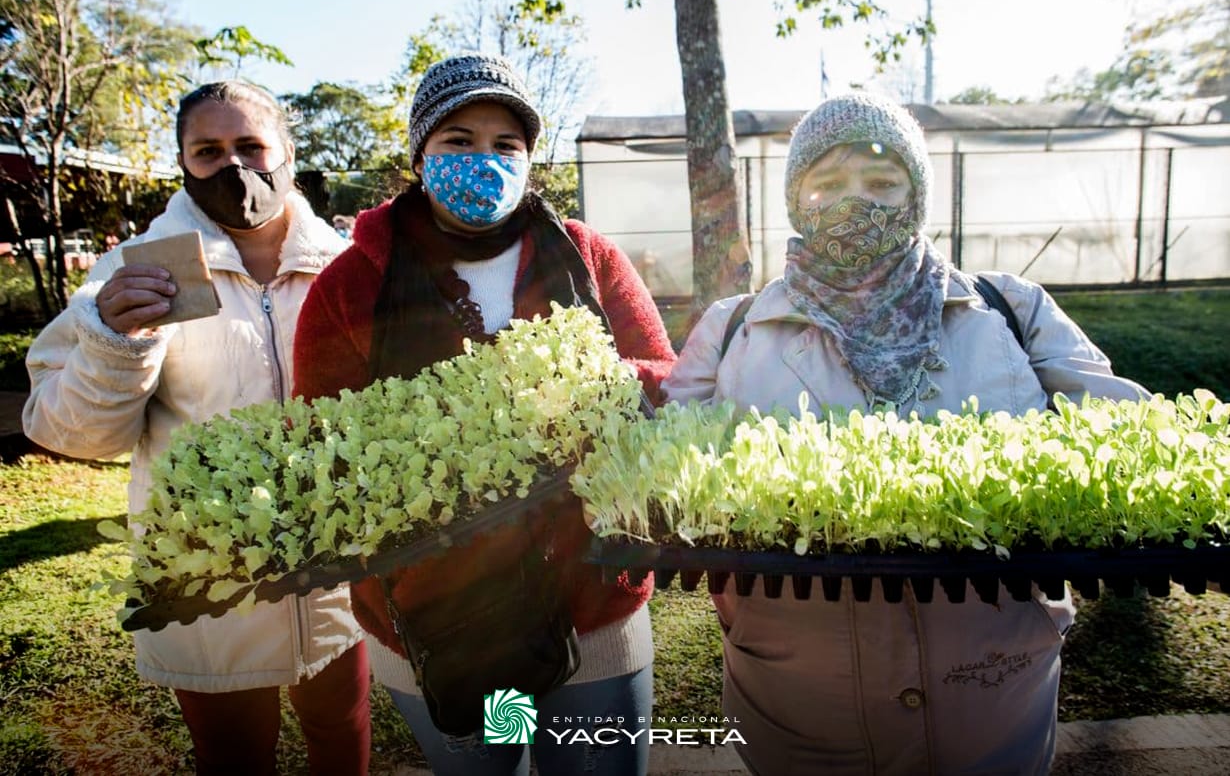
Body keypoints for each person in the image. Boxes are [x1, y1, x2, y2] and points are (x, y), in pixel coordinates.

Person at [662, 92, 1150, 776]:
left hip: (992, 693)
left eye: (882, 182)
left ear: (916, 195)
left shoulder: (1010, 309)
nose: (853, 202)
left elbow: (1133, 440)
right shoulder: (733, 328)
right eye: (828, 184)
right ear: (795, 199)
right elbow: (664, 468)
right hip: (801, 696)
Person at [292, 53, 676, 776]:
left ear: (531, 159)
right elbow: (319, 441)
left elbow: (664, 380)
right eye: (458, 141)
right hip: (445, 622)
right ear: (419, 157)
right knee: (490, 765)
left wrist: (586, 389)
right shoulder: (353, 283)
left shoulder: (586, 256)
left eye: (507, 145)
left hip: (592, 606)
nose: (484, 160)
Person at [22, 80, 367, 776]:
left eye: (250, 146)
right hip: (211, 583)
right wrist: (117, 341)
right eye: (208, 152)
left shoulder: (349, 267)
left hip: (335, 571)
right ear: (182, 163)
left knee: (342, 736)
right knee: (233, 757)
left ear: (288, 154)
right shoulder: (135, 270)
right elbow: (71, 431)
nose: (232, 168)